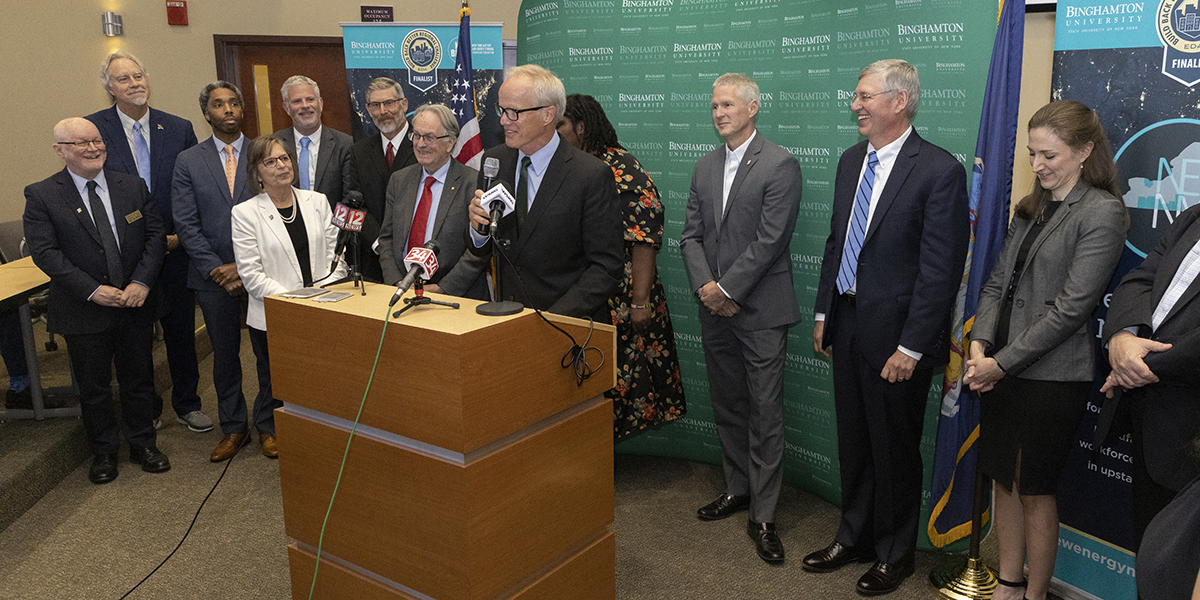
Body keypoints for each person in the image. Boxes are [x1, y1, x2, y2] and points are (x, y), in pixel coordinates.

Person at [808, 59, 969, 595]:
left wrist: (912, 346)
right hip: (849, 321)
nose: (854, 105)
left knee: (894, 447)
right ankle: (852, 535)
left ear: (899, 101)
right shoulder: (851, 160)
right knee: (854, 438)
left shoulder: (939, 170)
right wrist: (825, 312)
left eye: (864, 96)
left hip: (898, 337)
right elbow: (838, 242)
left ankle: (894, 553)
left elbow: (939, 271)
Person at [964, 100, 1127, 600]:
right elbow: (995, 285)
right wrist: (978, 344)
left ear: (1084, 151)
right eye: (1032, 154)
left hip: (1053, 378)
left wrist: (998, 364)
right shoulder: (1031, 207)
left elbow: (1071, 310)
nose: (1037, 166)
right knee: (1004, 483)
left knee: (1033, 487)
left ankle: (1035, 594)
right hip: (999, 366)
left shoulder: (1104, 212)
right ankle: (1009, 583)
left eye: (1049, 155)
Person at [680, 74, 801, 564]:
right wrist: (709, 290)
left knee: (765, 412)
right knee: (728, 402)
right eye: (713, 105)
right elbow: (689, 237)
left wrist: (727, 289)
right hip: (715, 309)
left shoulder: (780, 164)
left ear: (753, 107)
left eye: (728, 104)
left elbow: (771, 241)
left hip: (761, 311)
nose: (719, 113)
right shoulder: (705, 166)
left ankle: (765, 516)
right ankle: (738, 489)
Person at [24, 117, 169, 484]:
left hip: (134, 303)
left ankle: (143, 444)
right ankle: (104, 452)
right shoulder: (41, 194)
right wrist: (92, 290)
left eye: (96, 140)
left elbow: (155, 238)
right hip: (83, 309)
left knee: (139, 380)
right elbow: (46, 253)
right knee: (94, 387)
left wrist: (142, 282)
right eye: (80, 143)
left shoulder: (132, 187)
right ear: (60, 150)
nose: (92, 148)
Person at [85, 52, 211, 433]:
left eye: (138, 76)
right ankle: (147, 408)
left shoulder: (178, 127)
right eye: (124, 79)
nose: (134, 84)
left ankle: (187, 403)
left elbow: (191, 187)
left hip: (174, 247)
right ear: (109, 88)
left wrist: (179, 236)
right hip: (126, 256)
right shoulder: (94, 129)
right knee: (137, 340)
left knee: (180, 332)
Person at [557, 94, 687, 439]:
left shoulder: (619, 167)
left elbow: (643, 237)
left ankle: (599, 463)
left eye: (561, 125)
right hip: (586, 292)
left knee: (619, 379)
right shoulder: (569, 164)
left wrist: (640, 303)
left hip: (623, 296)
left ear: (582, 126)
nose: (555, 133)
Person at [465, 64, 622, 321]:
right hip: (507, 319)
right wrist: (477, 228)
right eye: (502, 110)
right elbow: (481, 249)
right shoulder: (495, 161)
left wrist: (552, 319)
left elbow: (605, 268)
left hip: (568, 327)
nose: (504, 120)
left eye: (514, 112)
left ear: (548, 115)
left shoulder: (590, 175)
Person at [231, 137, 345, 458]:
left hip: (323, 305)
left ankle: (317, 425)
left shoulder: (317, 201)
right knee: (274, 375)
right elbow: (251, 275)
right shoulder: (245, 213)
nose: (281, 166)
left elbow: (339, 256)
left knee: (319, 372)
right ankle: (268, 427)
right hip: (274, 313)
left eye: (285, 159)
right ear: (257, 173)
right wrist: (296, 300)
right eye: (271, 162)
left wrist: (320, 293)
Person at [1100, 202, 1200, 548]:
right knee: (1153, 559)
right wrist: (1122, 337)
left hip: (1192, 427)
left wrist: (1136, 367)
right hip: (1154, 424)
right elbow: (1140, 280)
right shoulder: (1193, 217)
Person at [172, 81, 256, 462]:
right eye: (219, 105)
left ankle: (269, 425)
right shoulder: (189, 160)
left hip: (261, 272)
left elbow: (281, 211)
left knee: (268, 352)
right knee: (224, 356)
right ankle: (234, 427)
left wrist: (246, 267)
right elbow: (185, 224)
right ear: (207, 113)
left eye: (234, 103)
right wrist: (217, 269)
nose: (228, 110)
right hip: (212, 277)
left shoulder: (265, 153)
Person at [377, 104, 485, 296]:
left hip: (453, 297)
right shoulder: (399, 180)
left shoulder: (473, 182)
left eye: (429, 137)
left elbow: (480, 248)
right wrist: (397, 282)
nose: (420, 144)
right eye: (416, 135)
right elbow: (386, 238)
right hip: (402, 291)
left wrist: (444, 288)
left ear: (450, 142)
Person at [349, 77, 417, 283]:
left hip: (416, 257)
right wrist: (380, 244)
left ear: (404, 104)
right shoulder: (359, 151)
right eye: (375, 105)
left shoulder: (424, 146)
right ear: (368, 111)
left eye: (389, 103)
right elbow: (354, 206)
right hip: (373, 258)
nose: (383, 111)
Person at [273, 75, 353, 208]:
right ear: (286, 108)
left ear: (320, 104)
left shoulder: (345, 145)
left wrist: (332, 228)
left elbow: (349, 197)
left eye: (310, 99)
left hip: (332, 225)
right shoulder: (274, 145)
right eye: (297, 101)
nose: (305, 106)